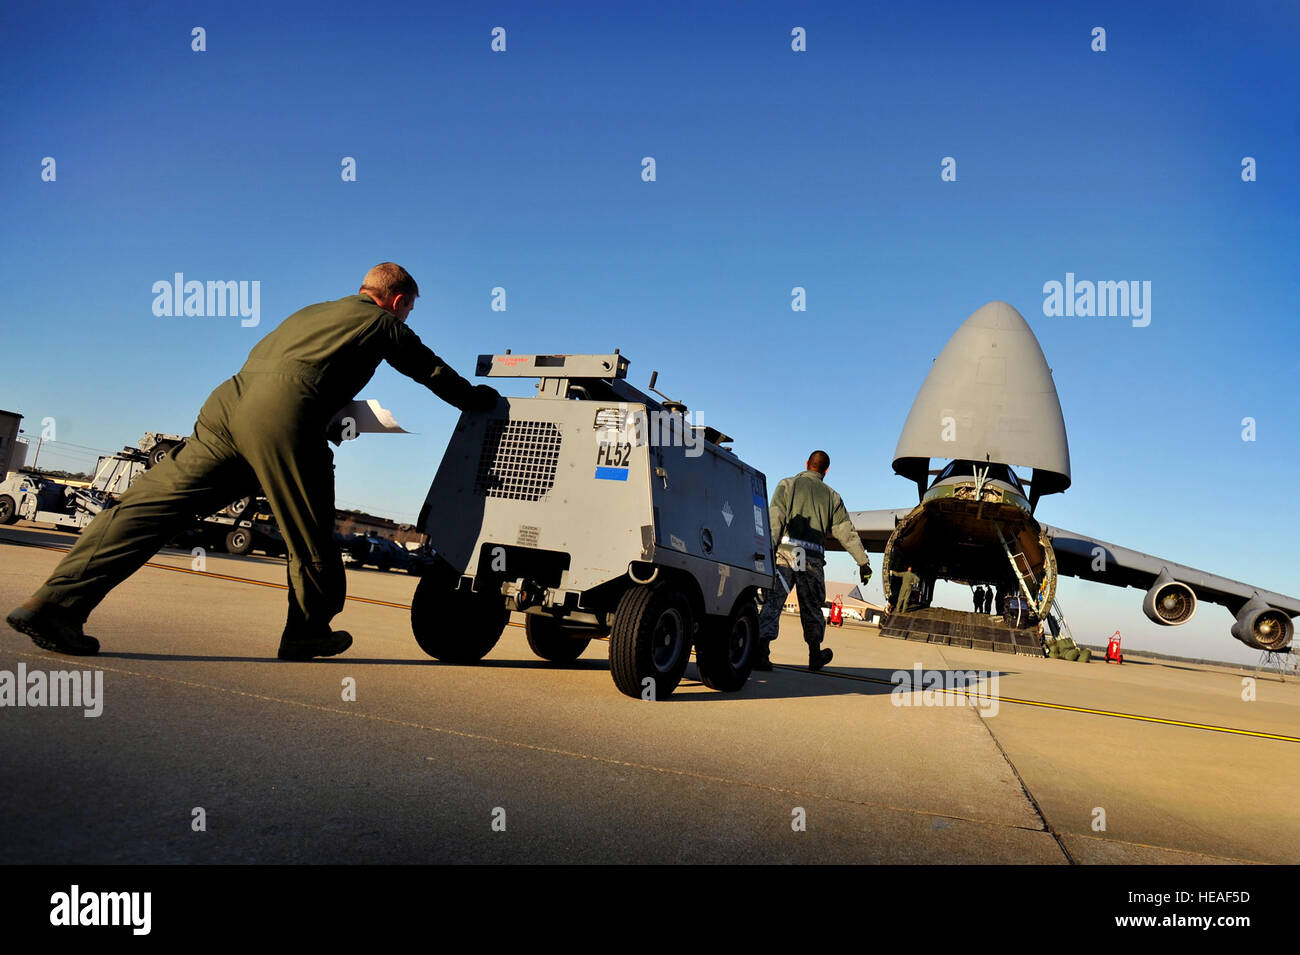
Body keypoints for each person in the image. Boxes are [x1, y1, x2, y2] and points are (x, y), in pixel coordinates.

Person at [7, 263, 499, 660]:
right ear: (397, 302)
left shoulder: (312, 312)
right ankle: (307, 631)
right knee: (308, 529)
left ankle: (54, 604)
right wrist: (478, 400)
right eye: (407, 310)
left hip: (228, 407)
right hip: (283, 418)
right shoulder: (382, 322)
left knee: (147, 511)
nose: (405, 318)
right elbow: (428, 369)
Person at [755, 450, 872, 672]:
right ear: (826, 470)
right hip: (812, 560)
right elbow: (846, 531)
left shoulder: (787, 485)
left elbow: (775, 519)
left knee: (774, 601)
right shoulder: (832, 497)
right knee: (811, 607)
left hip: (785, 554)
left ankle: (761, 652)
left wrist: (766, 550)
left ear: (807, 463)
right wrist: (863, 562)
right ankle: (814, 655)